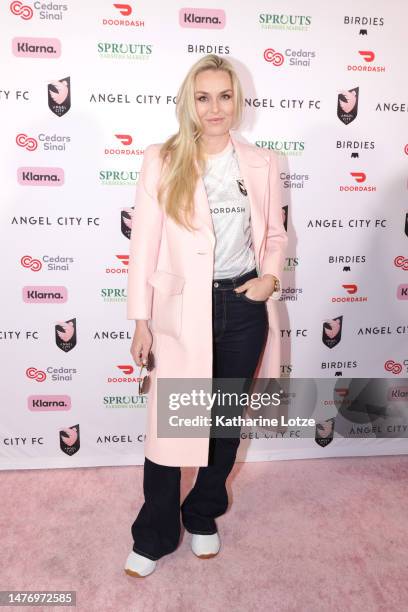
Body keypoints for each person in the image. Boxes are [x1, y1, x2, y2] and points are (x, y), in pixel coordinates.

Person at [124, 54, 288, 577]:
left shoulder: (264, 160)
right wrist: (140, 320)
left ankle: (202, 516)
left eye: (224, 96)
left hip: (243, 307)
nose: (215, 108)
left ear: (237, 101)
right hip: (178, 311)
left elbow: (275, 236)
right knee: (170, 425)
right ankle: (154, 533)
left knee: (222, 424)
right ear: (188, 103)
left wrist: (270, 278)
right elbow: (143, 246)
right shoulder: (161, 158)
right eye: (203, 97)